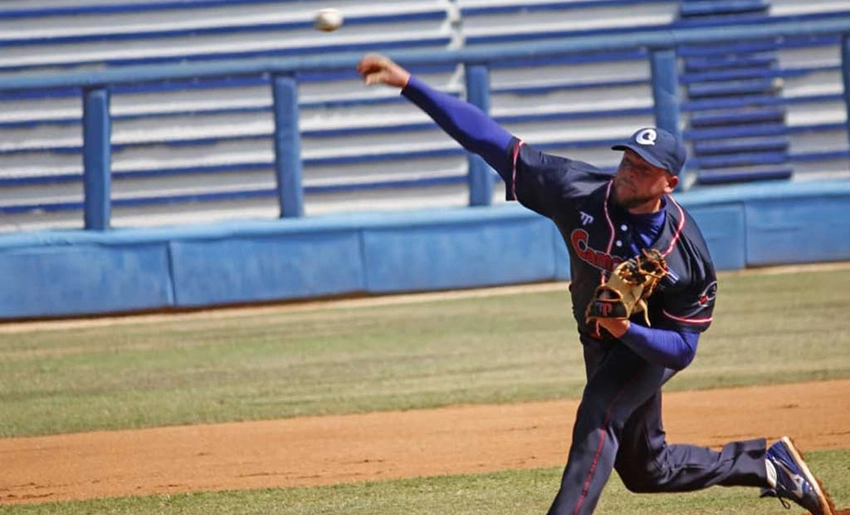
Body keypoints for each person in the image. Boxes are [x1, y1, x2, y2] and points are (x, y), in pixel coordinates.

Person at [356, 53, 836, 515]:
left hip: (647, 345)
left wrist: (627, 331)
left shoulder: (685, 254)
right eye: (627, 160)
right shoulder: (575, 189)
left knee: (598, 417)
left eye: (643, 169)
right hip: (598, 337)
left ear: (668, 183)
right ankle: (766, 465)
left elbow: (682, 349)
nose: (628, 173)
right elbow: (489, 141)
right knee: (647, 470)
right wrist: (409, 85)